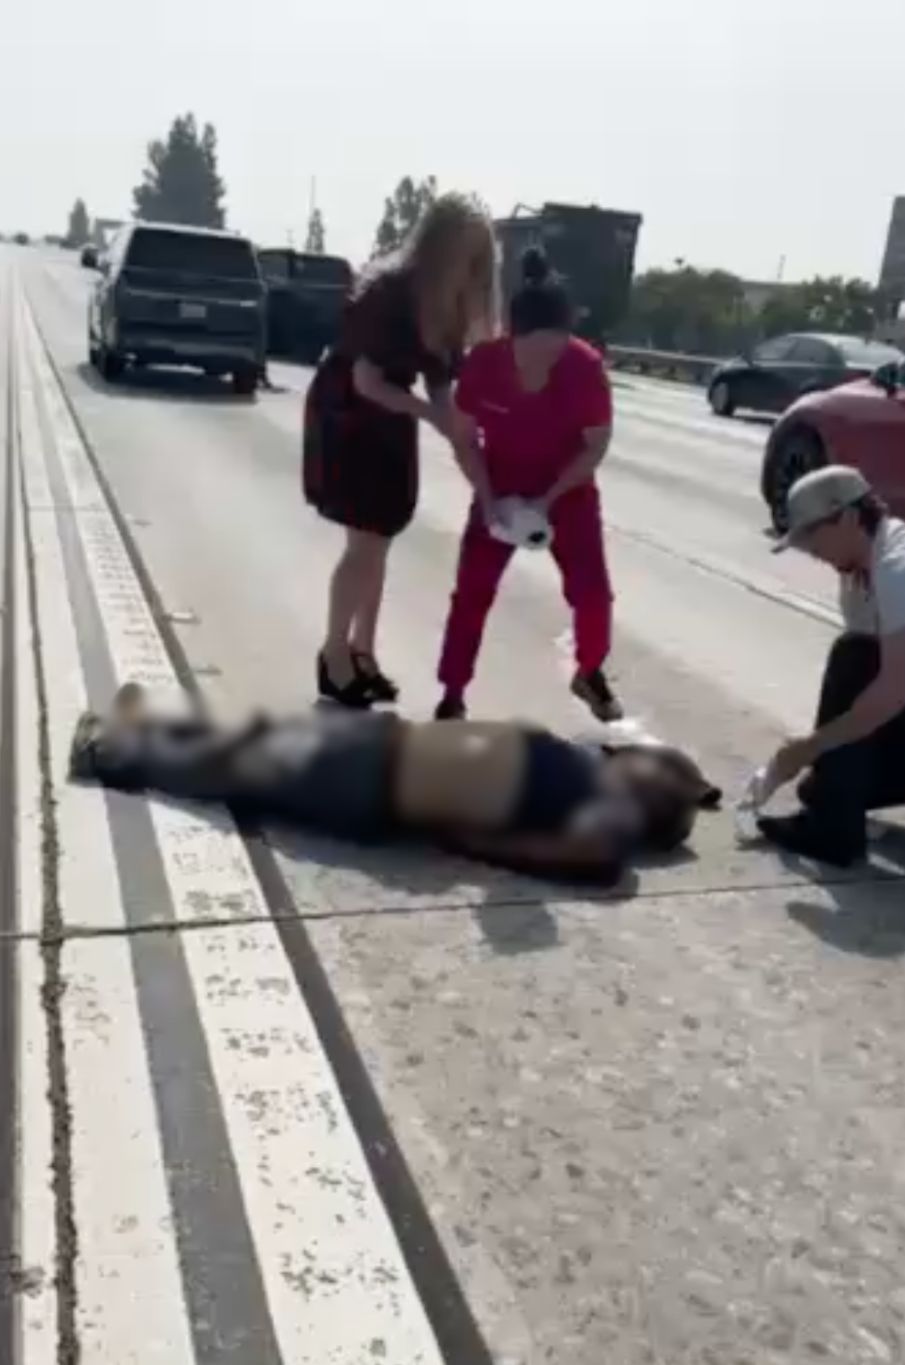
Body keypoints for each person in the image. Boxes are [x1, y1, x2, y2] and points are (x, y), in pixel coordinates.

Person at [68, 683, 721, 887]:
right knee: (251, 742)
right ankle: (145, 729)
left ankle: (108, 751)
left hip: (378, 779)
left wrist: (467, 840)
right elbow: (674, 773)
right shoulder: (595, 772)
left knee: (239, 767)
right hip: (386, 750)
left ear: (654, 796)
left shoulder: (609, 818)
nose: (642, 753)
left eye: (652, 763)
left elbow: (596, 862)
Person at [304, 192, 499, 708]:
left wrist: (485, 487)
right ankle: (333, 656)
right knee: (364, 544)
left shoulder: (446, 309)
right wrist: (433, 416)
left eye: (481, 258)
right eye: (466, 254)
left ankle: (363, 652)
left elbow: (443, 401)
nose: (473, 268)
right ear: (438, 247)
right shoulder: (388, 292)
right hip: (349, 412)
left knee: (380, 540)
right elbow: (366, 381)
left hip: (390, 418)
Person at [758, 466, 905, 867]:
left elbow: (895, 688)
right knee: (825, 784)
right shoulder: (858, 576)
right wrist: (822, 765)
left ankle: (833, 834)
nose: (810, 551)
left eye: (811, 536)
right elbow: (866, 702)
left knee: (852, 656)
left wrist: (808, 747)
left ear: (846, 517)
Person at [434, 248, 620, 723]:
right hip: (499, 484)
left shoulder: (584, 368)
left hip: (567, 491)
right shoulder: (483, 364)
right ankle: (453, 692)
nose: (547, 358)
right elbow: (462, 436)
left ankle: (590, 670)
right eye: (537, 347)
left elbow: (595, 446)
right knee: (472, 592)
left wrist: (549, 499)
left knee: (593, 594)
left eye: (557, 347)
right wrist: (489, 497)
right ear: (512, 337)